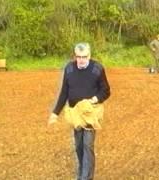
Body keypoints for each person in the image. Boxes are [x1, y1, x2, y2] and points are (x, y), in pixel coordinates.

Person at [47, 42, 111, 180]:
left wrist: (95, 99)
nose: (81, 60)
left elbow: (106, 90)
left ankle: (85, 177)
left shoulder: (97, 69)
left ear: (90, 55)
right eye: (78, 57)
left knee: (88, 145)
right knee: (79, 146)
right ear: (75, 56)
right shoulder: (69, 69)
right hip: (75, 113)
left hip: (90, 112)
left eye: (84, 57)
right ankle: (82, 172)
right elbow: (64, 92)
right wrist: (55, 112)